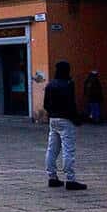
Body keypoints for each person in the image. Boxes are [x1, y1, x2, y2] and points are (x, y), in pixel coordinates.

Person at [44, 60, 86, 191]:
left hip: (53, 119)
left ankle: (52, 177)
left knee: (52, 149)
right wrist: (76, 119)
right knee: (68, 149)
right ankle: (70, 179)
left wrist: (52, 113)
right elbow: (71, 104)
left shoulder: (50, 84)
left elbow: (46, 104)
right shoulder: (68, 84)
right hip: (66, 120)